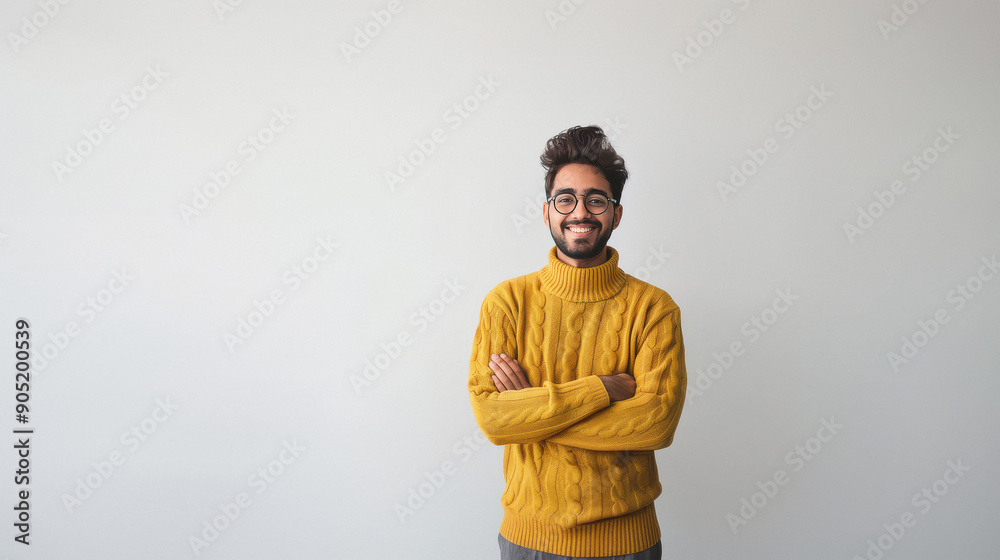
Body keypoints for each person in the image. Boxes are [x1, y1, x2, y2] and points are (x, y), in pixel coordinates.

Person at [467, 125, 687, 559]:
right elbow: (494, 419)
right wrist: (601, 390)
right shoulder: (506, 303)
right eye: (565, 199)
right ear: (547, 212)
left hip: (628, 544)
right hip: (529, 541)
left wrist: (532, 413)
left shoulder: (654, 308)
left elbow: (656, 423)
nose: (580, 212)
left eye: (596, 200)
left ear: (615, 214)